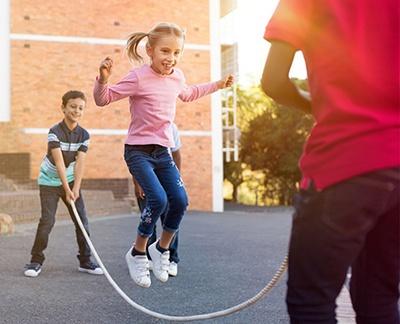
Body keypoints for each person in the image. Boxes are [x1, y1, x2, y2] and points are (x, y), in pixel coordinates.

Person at [261, 1, 399, 323]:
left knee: (312, 301)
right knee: (380, 296)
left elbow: (273, 81)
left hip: (345, 161)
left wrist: (318, 107)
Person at [93, 22, 234, 288]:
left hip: (162, 152)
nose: (170, 58)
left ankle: (162, 249)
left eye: (176, 53)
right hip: (138, 152)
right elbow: (104, 99)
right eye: (165, 51)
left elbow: (190, 93)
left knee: (179, 201)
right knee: (156, 199)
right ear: (150, 50)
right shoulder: (138, 77)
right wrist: (102, 79)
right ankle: (137, 252)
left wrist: (218, 84)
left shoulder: (177, 77)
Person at [24, 90, 103, 278]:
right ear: (63, 108)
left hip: (70, 180)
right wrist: (67, 189)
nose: (76, 111)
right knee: (47, 221)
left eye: (81, 108)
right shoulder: (54, 132)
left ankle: (85, 261)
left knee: (81, 221)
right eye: (73, 107)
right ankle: (35, 261)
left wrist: (75, 188)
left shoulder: (84, 134)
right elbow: (59, 162)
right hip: (49, 182)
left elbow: (80, 163)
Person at [134, 122, 182, 277]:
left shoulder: (171, 127)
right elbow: (135, 159)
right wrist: (138, 182)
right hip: (147, 182)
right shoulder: (140, 125)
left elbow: (176, 155)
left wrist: (176, 182)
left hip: (166, 180)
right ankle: (148, 257)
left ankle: (171, 258)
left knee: (169, 221)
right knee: (149, 221)